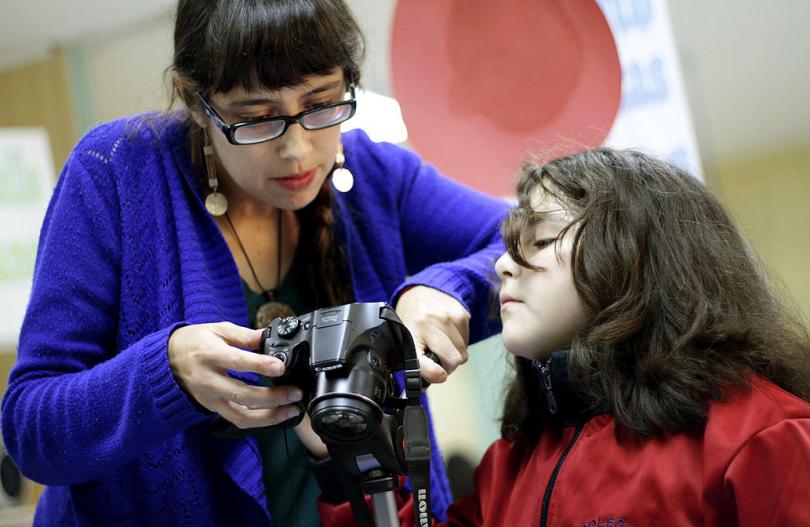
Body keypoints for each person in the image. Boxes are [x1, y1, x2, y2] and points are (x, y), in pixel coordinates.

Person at [0, 1, 507, 525]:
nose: (297, 150)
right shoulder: (116, 175)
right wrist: (166, 373)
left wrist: (448, 287)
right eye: (256, 119)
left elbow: (543, 242)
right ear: (196, 102)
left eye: (321, 103)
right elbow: (31, 430)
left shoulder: (375, 176)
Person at [319, 148, 810, 526]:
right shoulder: (507, 469)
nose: (501, 264)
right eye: (510, 244)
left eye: (541, 240)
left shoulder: (762, 436)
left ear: (636, 258)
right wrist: (340, 445)